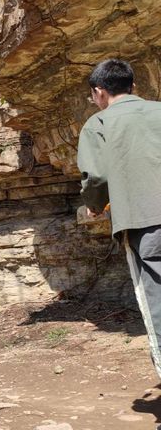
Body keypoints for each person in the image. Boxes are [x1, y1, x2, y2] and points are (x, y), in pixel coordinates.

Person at [78, 59, 161, 381]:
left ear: (99, 92)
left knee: (157, 305)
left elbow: (97, 177)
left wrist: (95, 207)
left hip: (146, 223)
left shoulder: (99, 124)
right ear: (134, 87)